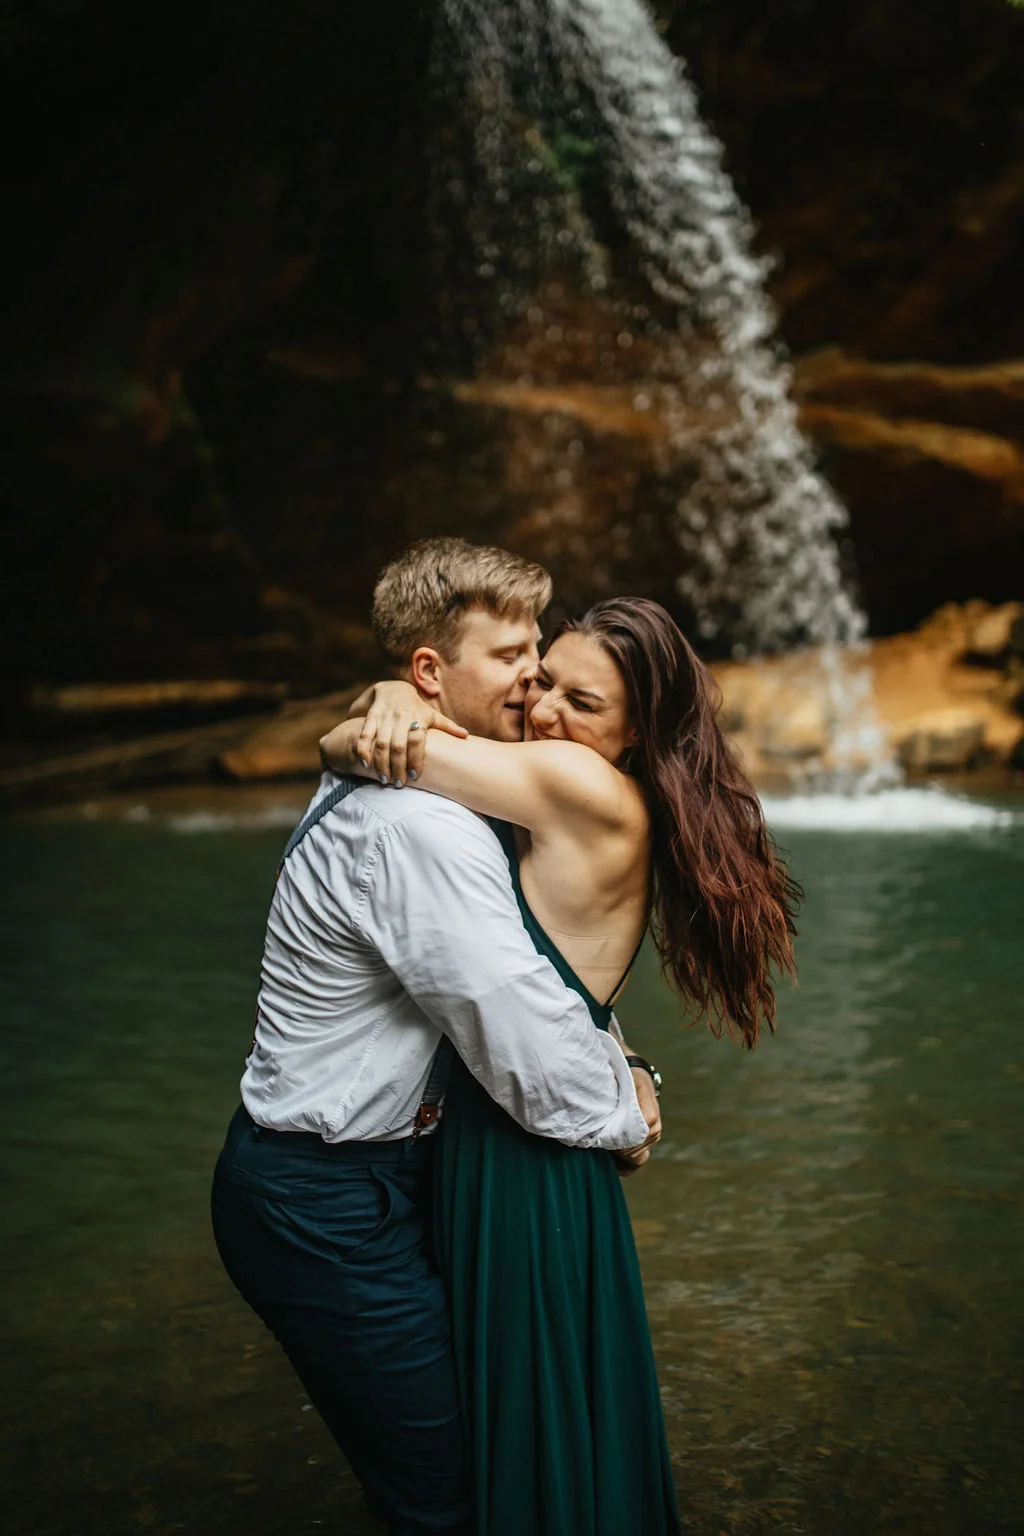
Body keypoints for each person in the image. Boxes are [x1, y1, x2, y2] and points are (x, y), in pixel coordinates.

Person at [321, 594, 801, 1536]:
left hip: (517, 1146)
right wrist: (631, 1061)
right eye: (543, 683)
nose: (543, 711)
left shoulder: (573, 782)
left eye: (583, 704)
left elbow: (360, 750)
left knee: (518, 1400)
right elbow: (564, 987)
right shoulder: (599, 790)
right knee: (551, 1398)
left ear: (637, 732)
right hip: (540, 1131)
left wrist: (382, 702)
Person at [210, 540, 662, 1536]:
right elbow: (519, 1035)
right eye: (509, 656)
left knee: (458, 1460)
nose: (533, 679)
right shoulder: (417, 826)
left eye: (537, 652)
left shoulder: (453, 788)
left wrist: (622, 1047)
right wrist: (623, 1114)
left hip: (384, 1177)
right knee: (445, 1495)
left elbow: (531, 956)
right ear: (428, 671)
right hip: (324, 1198)